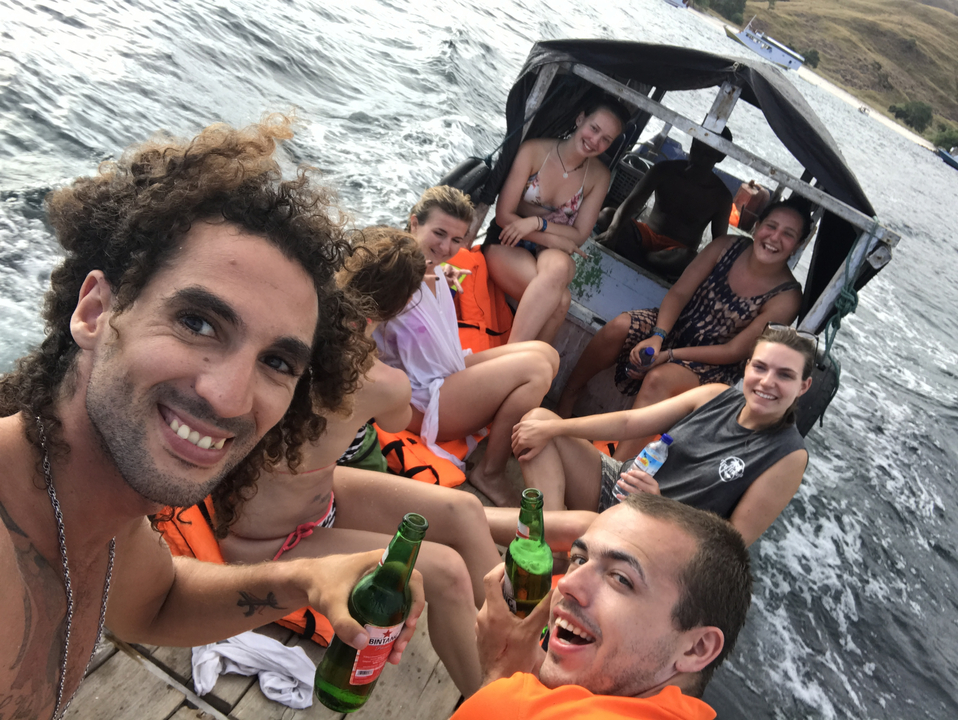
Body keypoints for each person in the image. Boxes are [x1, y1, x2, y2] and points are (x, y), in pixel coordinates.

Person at [0, 118, 425, 719]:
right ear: (95, 310)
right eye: (197, 323)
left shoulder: (101, 511)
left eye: (276, 361)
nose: (229, 398)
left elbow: (159, 602)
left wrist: (308, 580)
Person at [219, 227, 502, 698]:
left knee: (465, 510)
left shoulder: (287, 330)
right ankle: (496, 704)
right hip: (263, 539)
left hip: (308, 500)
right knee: (446, 571)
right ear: (397, 306)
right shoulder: (381, 382)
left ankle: (518, 650)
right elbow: (396, 417)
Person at [452, 493, 753, 719]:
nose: (566, 585)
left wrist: (500, 671)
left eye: (621, 579)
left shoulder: (513, 705)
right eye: (579, 559)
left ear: (696, 648)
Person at [514, 325, 814, 547]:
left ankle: (540, 537)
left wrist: (660, 507)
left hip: (657, 534)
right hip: (622, 485)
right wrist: (556, 427)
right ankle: (549, 546)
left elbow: (733, 540)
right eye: (760, 367)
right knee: (538, 424)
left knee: (579, 526)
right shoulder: (716, 395)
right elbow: (630, 422)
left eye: (785, 375)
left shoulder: (788, 455)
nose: (767, 381)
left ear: (803, 386)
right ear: (747, 368)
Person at [557, 199, 809, 460]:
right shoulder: (725, 247)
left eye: (788, 235)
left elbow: (734, 351)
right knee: (619, 327)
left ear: (797, 245)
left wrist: (669, 355)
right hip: (675, 328)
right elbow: (679, 293)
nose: (775, 238)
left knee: (660, 379)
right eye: (771, 226)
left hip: (714, 364)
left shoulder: (786, 297)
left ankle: (617, 467)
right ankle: (568, 397)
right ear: (757, 226)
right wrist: (658, 337)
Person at [373, 186, 560, 506]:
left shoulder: (433, 270)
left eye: (457, 240)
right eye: (439, 233)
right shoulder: (393, 276)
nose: (447, 247)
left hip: (446, 375)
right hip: (420, 400)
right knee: (536, 370)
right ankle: (490, 471)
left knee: (546, 354)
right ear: (414, 223)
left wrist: (443, 274)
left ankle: (494, 456)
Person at [483, 97, 630, 344]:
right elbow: (504, 215)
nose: (595, 141)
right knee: (561, 302)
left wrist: (536, 224)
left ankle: (507, 360)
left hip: (549, 248)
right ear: (580, 118)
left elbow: (580, 234)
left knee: (561, 269)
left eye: (606, 139)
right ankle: (512, 364)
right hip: (507, 240)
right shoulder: (534, 151)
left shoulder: (599, 176)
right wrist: (551, 238)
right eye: (594, 128)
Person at [596, 129, 735, 277]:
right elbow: (632, 201)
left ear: (720, 157)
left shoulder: (721, 197)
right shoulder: (665, 170)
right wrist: (613, 231)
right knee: (606, 216)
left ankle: (638, 259)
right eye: (696, 148)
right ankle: (648, 265)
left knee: (689, 258)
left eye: (706, 155)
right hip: (644, 237)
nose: (698, 158)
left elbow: (719, 243)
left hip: (676, 252)